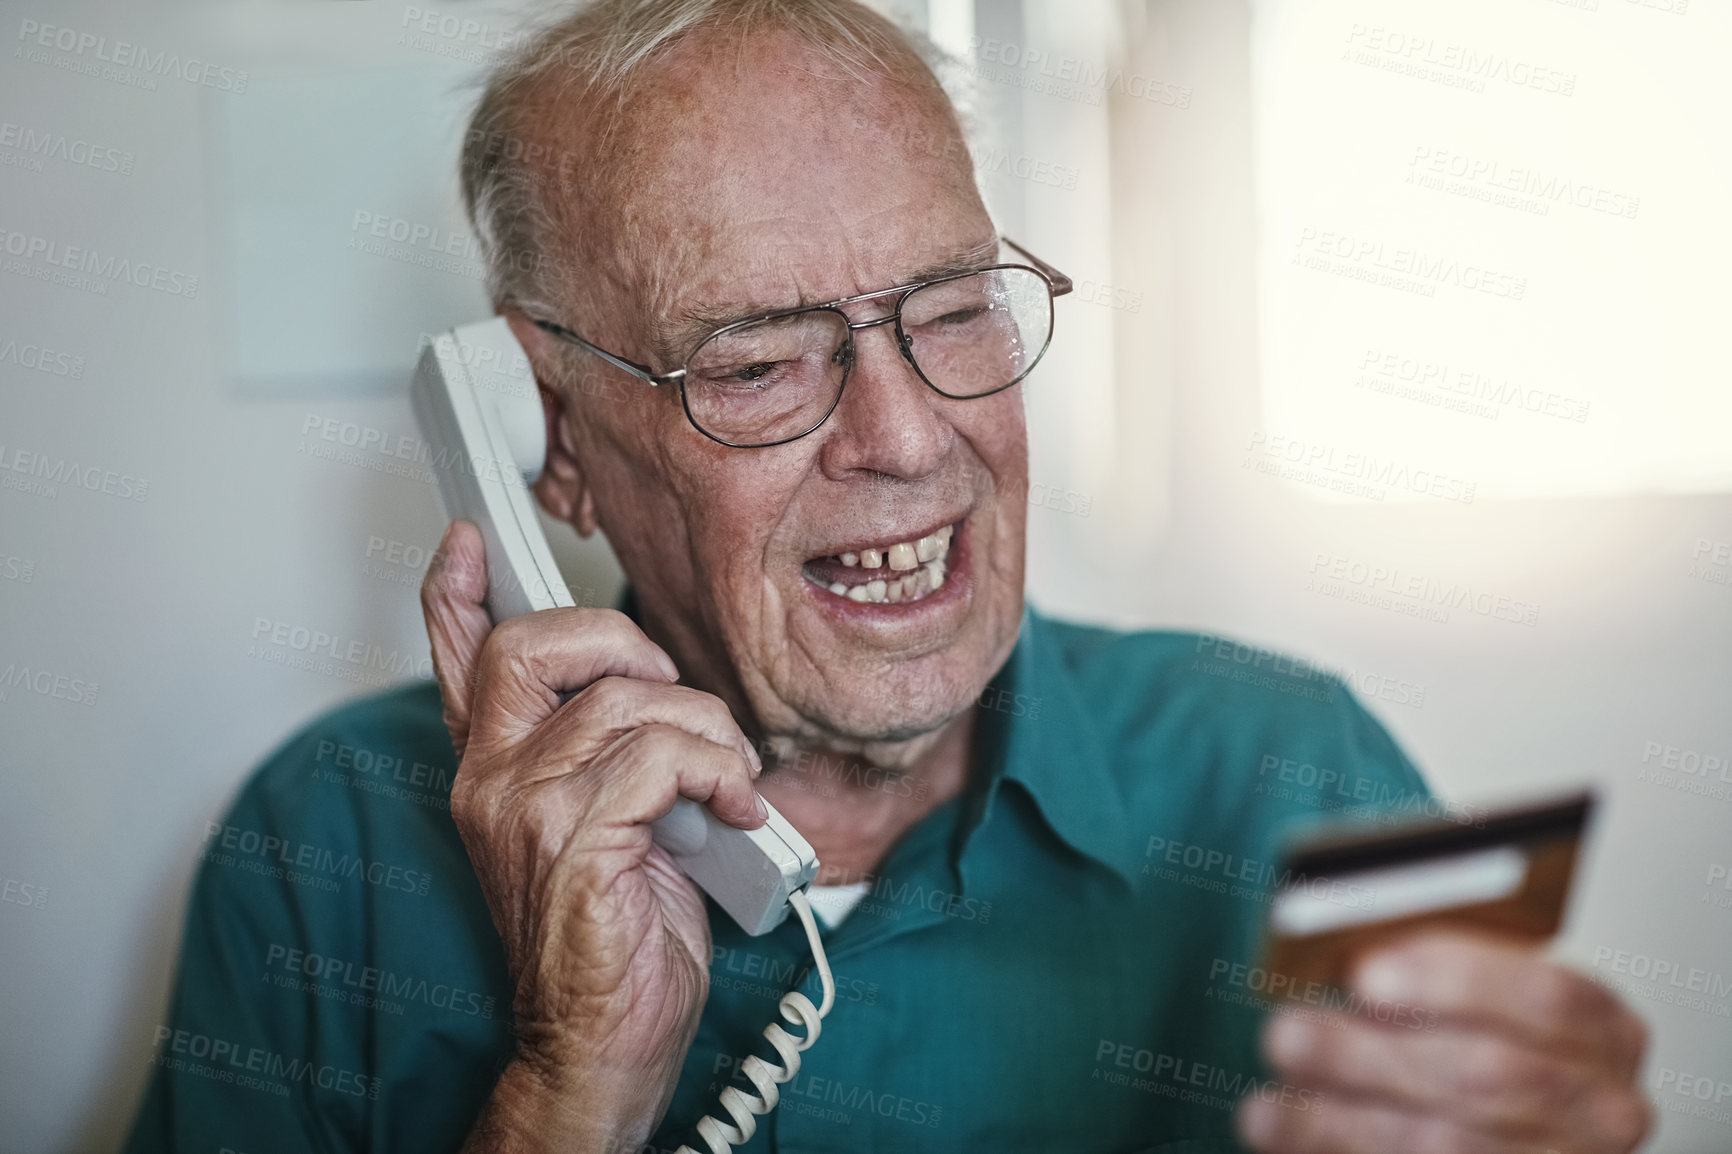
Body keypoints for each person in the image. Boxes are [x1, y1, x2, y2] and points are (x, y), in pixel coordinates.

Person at [125, 1, 1651, 1151]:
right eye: (759, 359)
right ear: (551, 442)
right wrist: (569, 1083)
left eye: (958, 307)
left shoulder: (1289, 764)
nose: (912, 435)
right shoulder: (324, 848)